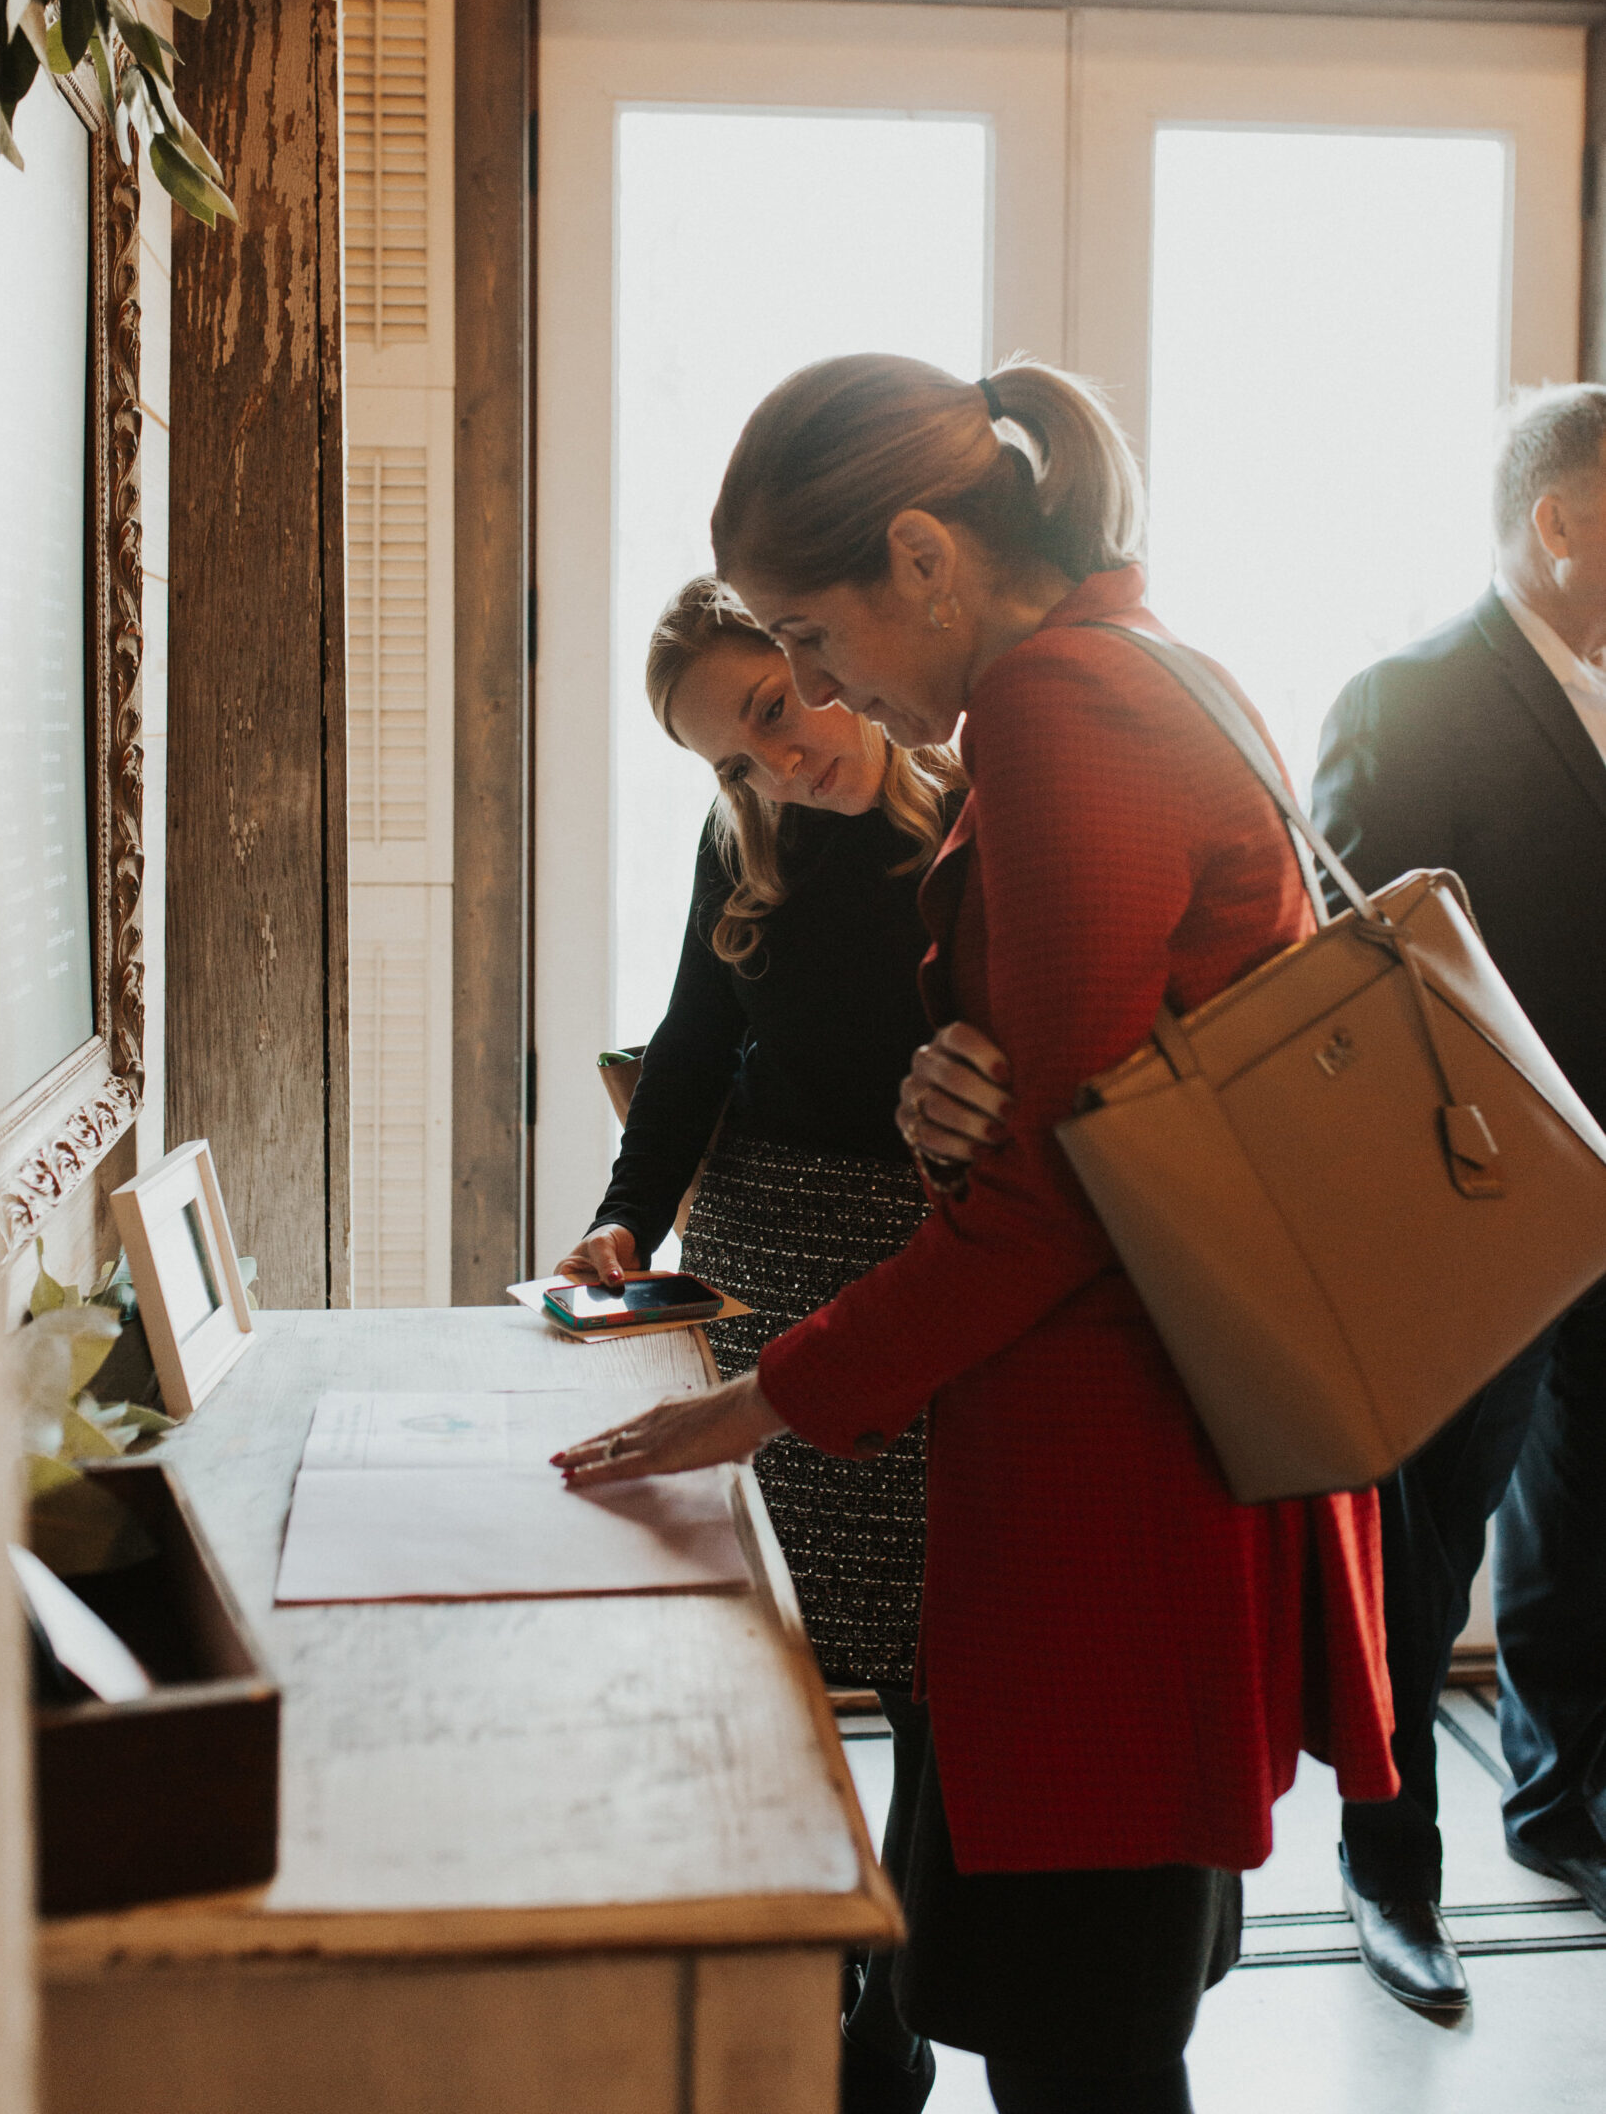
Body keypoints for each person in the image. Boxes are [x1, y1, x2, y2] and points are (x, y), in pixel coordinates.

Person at [556, 356, 1397, 2114]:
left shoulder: (1053, 707)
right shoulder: (1146, 660)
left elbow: (1058, 1197)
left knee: (1076, 2042)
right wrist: (961, 1078)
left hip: (1111, 1479)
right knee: (1075, 2006)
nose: (807, 685)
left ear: (925, 556)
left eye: (808, 630)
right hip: (1139, 1449)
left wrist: (757, 1398)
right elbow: (1100, 1084)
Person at [557, 574, 964, 2114]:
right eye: (731, 753)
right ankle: (832, 1979)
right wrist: (622, 1221)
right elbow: (689, 1052)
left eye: (774, 709)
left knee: (924, 1659)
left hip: (926, 1275)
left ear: (821, 658)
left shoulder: (976, 813)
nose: (772, 761)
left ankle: (916, 1981)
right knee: (778, 1657)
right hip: (757, 1265)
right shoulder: (745, 846)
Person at [1311, 381, 1606, 2017]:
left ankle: (1567, 1810)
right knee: (1420, 1562)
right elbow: (1362, 965)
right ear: (1556, 520)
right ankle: (1387, 1874)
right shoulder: (1404, 697)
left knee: (1588, 1532)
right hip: (1477, 1200)